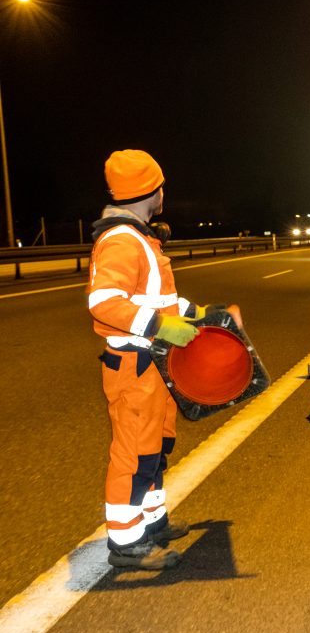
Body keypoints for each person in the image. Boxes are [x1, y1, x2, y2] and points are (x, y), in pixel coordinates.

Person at [87, 149, 205, 569]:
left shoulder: (140, 237)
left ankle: (153, 520)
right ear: (153, 190)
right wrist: (162, 328)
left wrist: (198, 315)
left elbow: (158, 299)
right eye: (162, 186)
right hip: (134, 365)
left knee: (156, 447)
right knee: (134, 453)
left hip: (153, 364)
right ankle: (126, 541)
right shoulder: (123, 240)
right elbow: (103, 302)